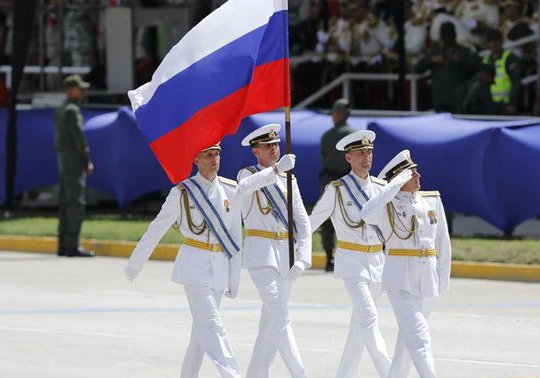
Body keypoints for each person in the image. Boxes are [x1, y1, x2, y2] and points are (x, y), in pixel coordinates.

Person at [124, 143, 297, 377]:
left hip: (218, 270)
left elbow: (236, 236)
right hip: (194, 268)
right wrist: (135, 264)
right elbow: (157, 228)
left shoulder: (229, 189)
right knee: (213, 327)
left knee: (200, 334)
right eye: (208, 155)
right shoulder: (183, 192)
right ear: (196, 159)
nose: (214, 159)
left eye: (217, 154)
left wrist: (233, 279)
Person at [360, 150, 452, 378]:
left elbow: (443, 241)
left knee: (407, 343)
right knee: (420, 337)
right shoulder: (385, 207)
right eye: (411, 174)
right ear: (398, 180)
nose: (417, 175)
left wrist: (443, 278)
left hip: (428, 280)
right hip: (400, 282)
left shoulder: (431, 200)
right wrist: (394, 184)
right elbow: (366, 212)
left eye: (416, 171)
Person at [309, 130, 391, 378]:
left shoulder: (381, 188)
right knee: (368, 316)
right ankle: (390, 372)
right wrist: (290, 244)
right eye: (360, 153)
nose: (366, 157)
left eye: (368, 152)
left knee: (359, 327)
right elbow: (313, 222)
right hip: (352, 263)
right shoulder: (338, 190)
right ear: (348, 158)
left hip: (377, 261)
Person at [237, 124, 312, 378]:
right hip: (261, 255)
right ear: (255, 151)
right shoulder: (246, 174)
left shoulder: (288, 179)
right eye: (268, 146)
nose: (274, 149)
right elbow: (244, 189)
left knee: (269, 324)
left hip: (285, 256)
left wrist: (303, 258)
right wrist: (276, 169)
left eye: (276, 144)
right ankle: (300, 373)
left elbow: (302, 221)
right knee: (281, 317)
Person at [54, 74, 94, 257]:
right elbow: (78, 139)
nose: (82, 91)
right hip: (74, 161)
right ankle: (72, 245)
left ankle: (63, 244)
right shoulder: (72, 110)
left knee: (65, 202)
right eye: (80, 88)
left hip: (63, 160)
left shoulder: (61, 109)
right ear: (71, 90)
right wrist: (86, 160)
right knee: (76, 203)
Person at [319, 98, 356, 271]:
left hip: (331, 179)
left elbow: (324, 158)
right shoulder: (355, 135)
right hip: (350, 180)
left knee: (327, 218)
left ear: (339, 114)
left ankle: (329, 258)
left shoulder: (327, 136)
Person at [414, 21, 479, 113]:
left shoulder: (464, 51)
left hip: (460, 102)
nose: (447, 38)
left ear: (455, 34)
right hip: (440, 101)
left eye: (449, 34)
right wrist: (431, 60)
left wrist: (461, 60)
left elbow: (476, 68)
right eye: (445, 35)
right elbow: (417, 69)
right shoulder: (435, 53)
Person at [482, 28, 522, 115]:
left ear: (501, 41)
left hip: (506, 104)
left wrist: (512, 102)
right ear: (487, 44)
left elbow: (516, 81)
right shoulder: (485, 60)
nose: (494, 43)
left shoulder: (510, 58)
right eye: (491, 41)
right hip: (489, 105)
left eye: (497, 40)